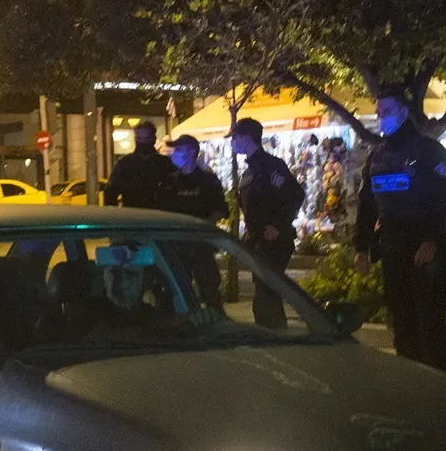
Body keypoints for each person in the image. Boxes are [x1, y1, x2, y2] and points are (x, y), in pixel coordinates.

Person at [353, 95, 446, 371]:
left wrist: (433, 239)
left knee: (429, 327)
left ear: (403, 112)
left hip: (424, 253)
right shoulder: (377, 156)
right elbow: (367, 206)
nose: (380, 116)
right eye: (378, 112)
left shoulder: (429, 152)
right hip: (393, 250)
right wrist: (361, 247)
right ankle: (411, 387)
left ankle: (437, 389)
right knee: (402, 326)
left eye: (386, 110)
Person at [229, 117, 305, 328]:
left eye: (235, 138)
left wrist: (278, 225)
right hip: (259, 241)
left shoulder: (271, 166)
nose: (233, 142)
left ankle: (274, 337)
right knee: (265, 295)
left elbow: (295, 195)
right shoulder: (250, 169)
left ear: (246, 138)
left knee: (267, 295)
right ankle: (271, 335)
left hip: (274, 242)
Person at [158, 134, 228, 305]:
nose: (174, 153)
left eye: (178, 150)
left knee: (209, 289)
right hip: (176, 245)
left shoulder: (207, 181)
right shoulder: (170, 182)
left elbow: (221, 209)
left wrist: (204, 226)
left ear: (191, 152)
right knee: (177, 291)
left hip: (200, 245)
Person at [103, 120, 176, 209]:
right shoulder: (125, 163)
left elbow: (173, 191)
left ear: (153, 138)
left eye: (146, 138)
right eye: (139, 139)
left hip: (156, 216)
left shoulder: (164, 163)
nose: (143, 143)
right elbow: (111, 192)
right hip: (135, 216)